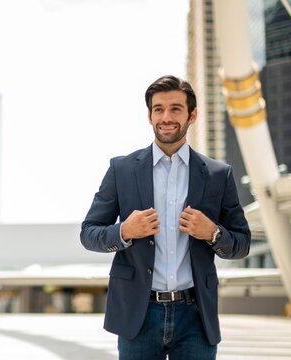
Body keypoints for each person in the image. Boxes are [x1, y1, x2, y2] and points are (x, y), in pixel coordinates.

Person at [80, 75, 251, 360]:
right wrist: (125, 231)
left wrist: (213, 233)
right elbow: (88, 233)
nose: (166, 117)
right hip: (139, 314)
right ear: (149, 116)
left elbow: (242, 243)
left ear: (192, 115)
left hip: (196, 316)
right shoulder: (121, 170)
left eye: (175, 108)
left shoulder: (219, 175)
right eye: (158, 109)